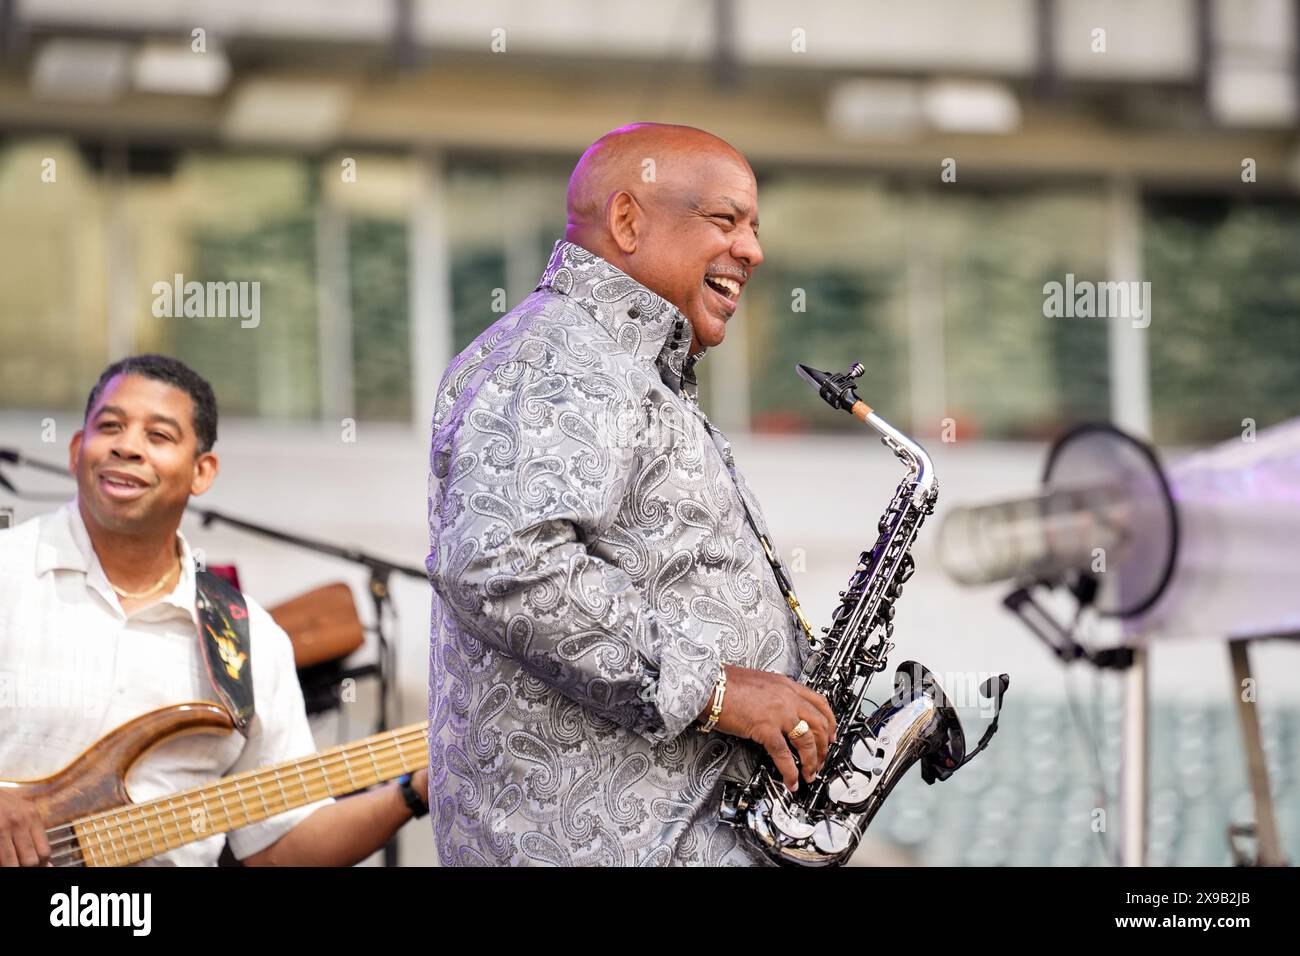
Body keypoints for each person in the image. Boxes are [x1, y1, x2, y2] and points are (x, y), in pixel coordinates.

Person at [426, 123, 836, 866]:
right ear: (627, 220)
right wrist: (717, 692)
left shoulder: (624, 369)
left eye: (754, 227)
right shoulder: (563, 357)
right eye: (726, 219)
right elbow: (500, 560)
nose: (754, 250)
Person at [0, 354, 429, 867]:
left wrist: (414, 793)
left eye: (158, 436)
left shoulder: (247, 639)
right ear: (76, 450)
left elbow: (278, 848)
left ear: (202, 472)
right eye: (110, 426)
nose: (127, 446)